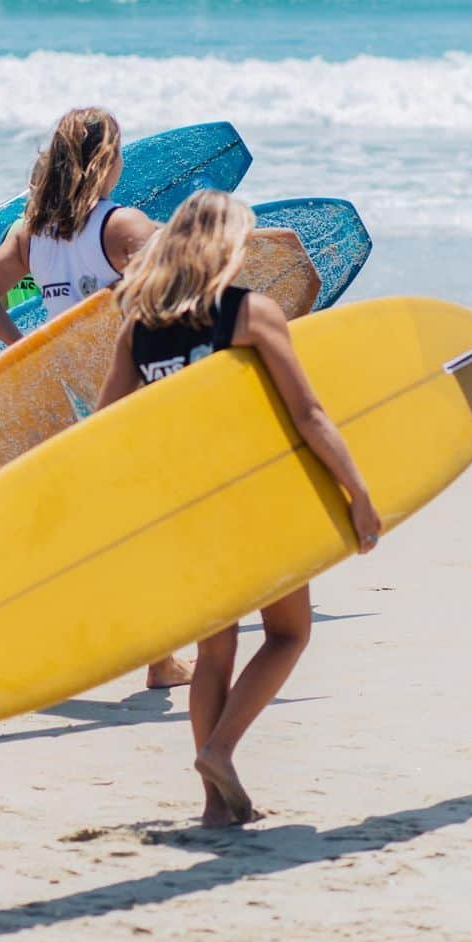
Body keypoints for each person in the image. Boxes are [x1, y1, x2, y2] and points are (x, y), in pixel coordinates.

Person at [95, 189, 382, 827]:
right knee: (289, 633)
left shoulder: (139, 330)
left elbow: (104, 429)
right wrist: (358, 494)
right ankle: (221, 750)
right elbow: (308, 413)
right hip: (255, 501)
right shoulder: (249, 314)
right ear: (227, 248)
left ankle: (214, 807)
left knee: (215, 648)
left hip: (186, 510)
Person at [0, 106, 192, 689]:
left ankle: (63, 636)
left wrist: (29, 350)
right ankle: (159, 659)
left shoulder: (30, 231)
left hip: (73, 397)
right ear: (106, 162)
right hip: (139, 391)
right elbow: (181, 289)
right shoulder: (122, 226)